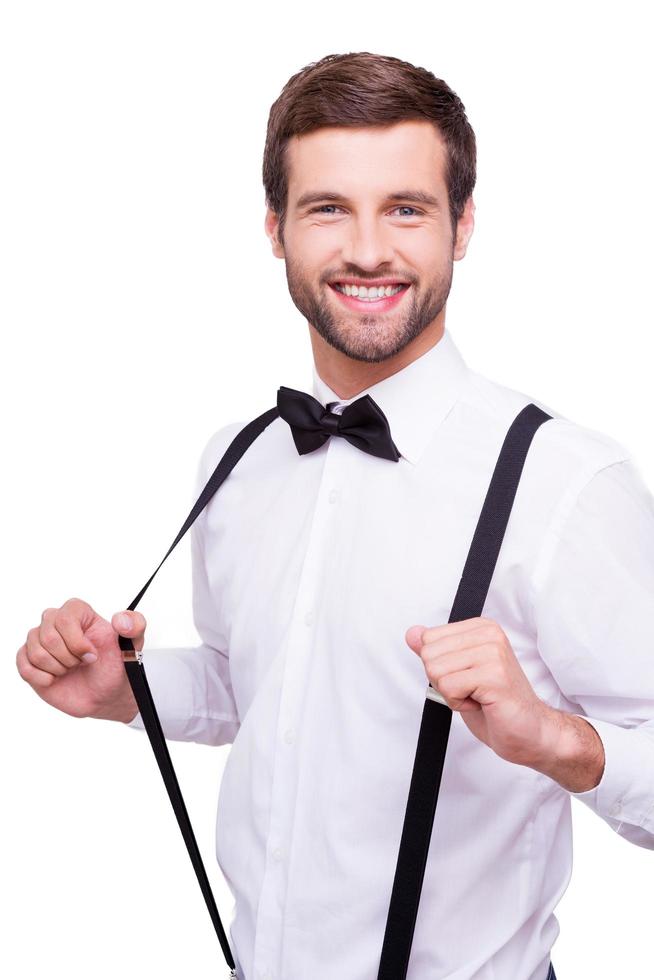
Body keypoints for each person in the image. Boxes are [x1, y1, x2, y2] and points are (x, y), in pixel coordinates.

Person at [15, 51, 654, 980]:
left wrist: (556, 738)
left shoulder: (567, 482)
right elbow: (256, 684)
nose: (366, 250)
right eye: (327, 209)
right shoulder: (239, 458)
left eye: (406, 207)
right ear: (275, 228)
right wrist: (129, 693)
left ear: (463, 225)